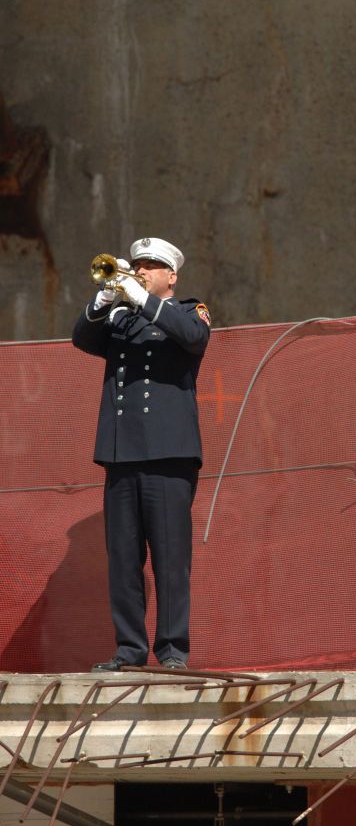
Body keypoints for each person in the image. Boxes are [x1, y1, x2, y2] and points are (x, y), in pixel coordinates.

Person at [72, 237, 211, 671]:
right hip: (121, 454)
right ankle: (129, 650)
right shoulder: (121, 319)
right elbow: (82, 338)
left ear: (171, 276)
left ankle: (171, 651)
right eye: (138, 265)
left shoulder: (189, 312)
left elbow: (192, 337)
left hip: (169, 454)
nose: (141, 271)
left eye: (151, 266)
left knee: (170, 559)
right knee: (124, 560)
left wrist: (143, 301)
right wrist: (103, 299)